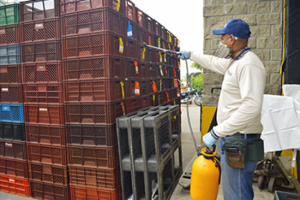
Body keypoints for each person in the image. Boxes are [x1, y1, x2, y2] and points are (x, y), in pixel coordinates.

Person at [179, 19, 266, 200]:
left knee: (237, 195)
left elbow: (251, 107)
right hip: (234, 138)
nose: (221, 42)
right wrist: (191, 55)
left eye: (223, 37)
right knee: (234, 190)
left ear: (232, 38)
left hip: (240, 140)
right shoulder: (236, 62)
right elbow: (212, 61)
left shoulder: (248, 65)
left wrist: (216, 132)